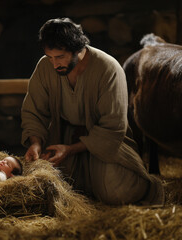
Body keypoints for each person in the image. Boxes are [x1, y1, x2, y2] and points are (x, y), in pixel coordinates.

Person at [21, 18, 164, 205]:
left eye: (60, 56)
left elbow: (114, 126)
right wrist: (36, 143)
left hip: (104, 144)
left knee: (117, 193)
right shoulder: (45, 66)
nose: (54, 64)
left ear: (78, 49)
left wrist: (71, 150)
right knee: (48, 187)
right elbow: (33, 109)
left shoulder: (108, 69)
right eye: (50, 57)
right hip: (63, 137)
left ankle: (152, 186)